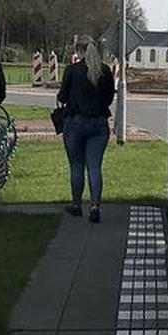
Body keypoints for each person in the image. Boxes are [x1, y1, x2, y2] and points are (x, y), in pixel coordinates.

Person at [57, 36, 115, 222]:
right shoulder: (104, 71)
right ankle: (95, 207)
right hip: (99, 124)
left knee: (76, 166)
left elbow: (63, 96)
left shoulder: (72, 71)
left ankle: (76, 205)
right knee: (95, 166)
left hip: (75, 123)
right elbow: (108, 99)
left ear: (78, 50)